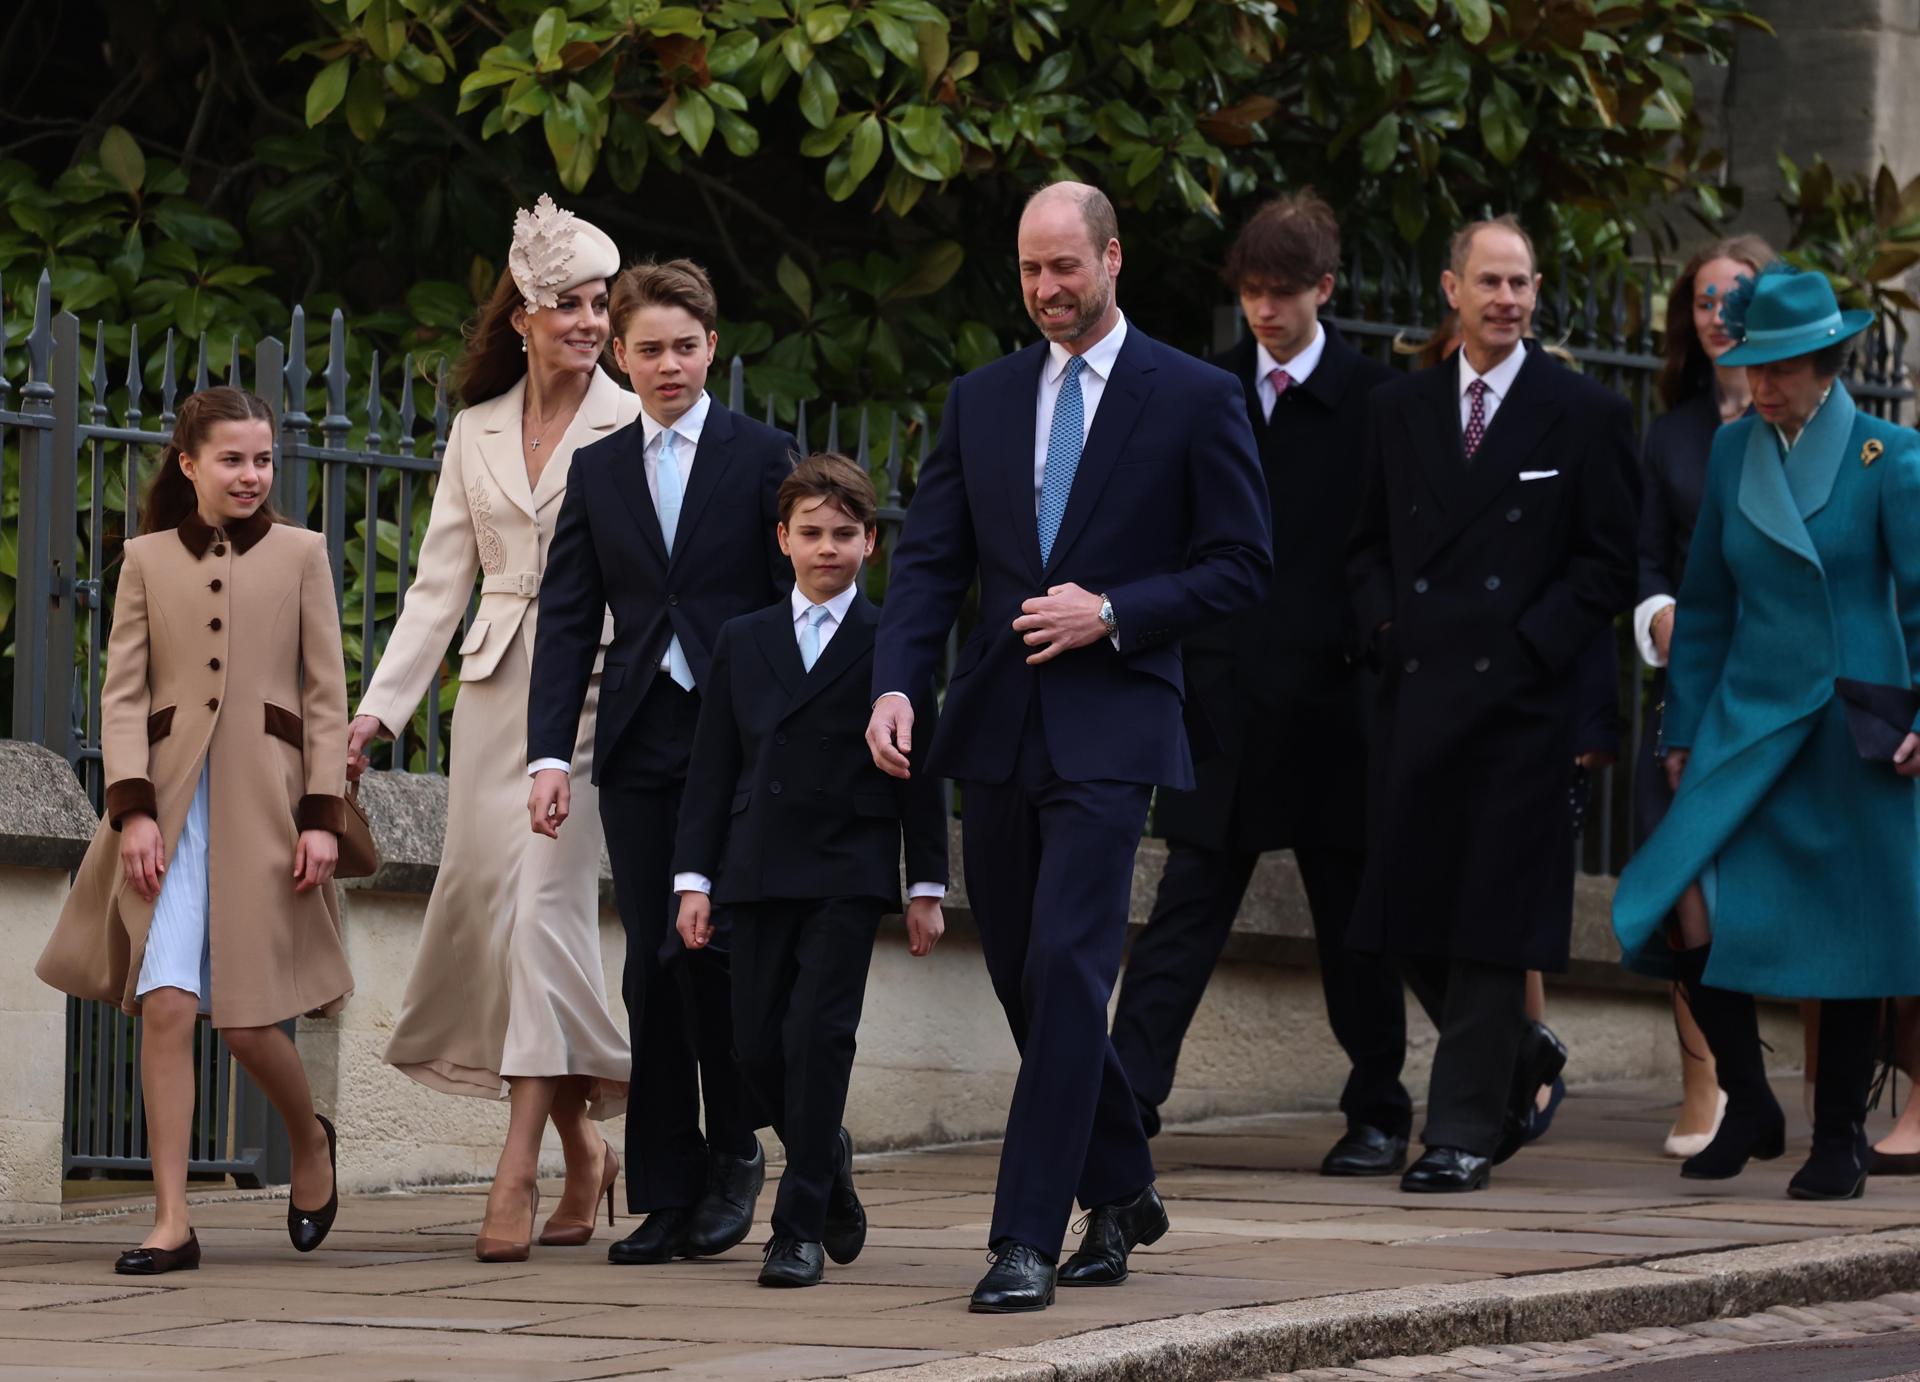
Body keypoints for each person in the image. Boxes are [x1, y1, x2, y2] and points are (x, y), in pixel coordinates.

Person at [867, 181, 1271, 1312]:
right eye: (1031, 270)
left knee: (1070, 968)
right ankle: (1128, 1185)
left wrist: (1116, 611)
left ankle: (1025, 1236)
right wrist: (899, 683)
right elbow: (934, 566)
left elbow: (1244, 563)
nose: (1046, 290)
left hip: (1116, 721)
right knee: (1018, 975)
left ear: (1112, 259)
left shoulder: (1193, 395)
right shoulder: (981, 399)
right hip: (995, 724)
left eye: (1066, 268)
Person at [348, 196, 636, 1262]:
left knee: (543, 914)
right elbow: (436, 589)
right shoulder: (473, 430)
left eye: (603, 302)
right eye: (570, 302)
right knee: (484, 907)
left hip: (598, 693)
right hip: (490, 692)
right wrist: (377, 713)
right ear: (522, 313)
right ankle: (583, 1142)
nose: (591, 321)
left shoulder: (632, 419)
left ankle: (514, 1168)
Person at [1107, 191, 1410, 1176]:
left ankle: (1377, 1106)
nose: (1265, 312)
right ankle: (1126, 1101)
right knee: (1184, 911)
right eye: (1250, 292)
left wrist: (1370, 647)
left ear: (1324, 287)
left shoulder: (1377, 401)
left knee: (1354, 918)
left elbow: (1389, 547)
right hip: (1224, 693)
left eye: (1282, 293)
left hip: (1333, 698)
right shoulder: (1210, 388)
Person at [1613, 263, 1920, 1201]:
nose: (1763, 380)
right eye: (1756, 362)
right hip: (1746, 721)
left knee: (1851, 931)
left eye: (1785, 364)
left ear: (1828, 362)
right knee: (1679, 891)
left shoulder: (1890, 458)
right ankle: (1749, 1102)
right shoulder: (1735, 452)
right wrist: (1685, 729)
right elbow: (1703, 607)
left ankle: (1838, 1139)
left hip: (1852, 726)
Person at [1347, 215, 1640, 1194]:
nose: (1507, 299)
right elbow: (1364, 548)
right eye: (1490, 282)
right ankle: (1517, 1051)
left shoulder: (1584, 412)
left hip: (1521, 709)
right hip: (1418, 697)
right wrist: (1385, 627)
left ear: (1537, 289)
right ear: (1451, 289)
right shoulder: (1400, 408)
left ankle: (1462, 1132)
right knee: (1399, 917)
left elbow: (1607, 561)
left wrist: (1529, 645)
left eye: (1521, 283)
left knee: (1484, 924)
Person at [38, 386, 352, 1273]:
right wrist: (131, 807)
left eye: (262, 459)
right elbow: (124, 693)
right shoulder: (143, 559)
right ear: (188, 464)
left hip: (266, 808)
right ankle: (171, 1219)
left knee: (250, 1024)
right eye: (232, 459)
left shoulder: (301, 554)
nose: (251, 475)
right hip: (170, 811)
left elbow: (327, 696)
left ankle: (308, 1140)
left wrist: (322, 816)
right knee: (167, 1004)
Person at [528, 258, 796, 1266]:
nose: (668, 364)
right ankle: (665, 1188)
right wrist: (549, 753)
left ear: (712, 347)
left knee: (714, 955)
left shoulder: (763, 453)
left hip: (736, 747)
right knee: (651, 967)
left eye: (685, 345)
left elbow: (791, 605)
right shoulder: (598, 469)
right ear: (624, 355)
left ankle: (738, 1153)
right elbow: (566, 620)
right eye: (649, 348)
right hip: (640, 743)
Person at [671, 454, 949, 1288]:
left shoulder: (891, 643)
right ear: (783, 540)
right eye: (811, 533)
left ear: (870, 542)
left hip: (847, 866)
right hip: (755, 867)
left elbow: (922, 766)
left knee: (817, 1040)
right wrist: (694, 878)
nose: (827, 548)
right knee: (755, 1045)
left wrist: (926, 885)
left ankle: (794, 1229)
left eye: (843, 534)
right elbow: (712, 769)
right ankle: (826, 1151)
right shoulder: (742, 639)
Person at [1632, 235, 1774, 1158]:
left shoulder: (1800, 422)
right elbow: (1642, 561)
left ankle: (1843, 1093)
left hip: (1781, 693)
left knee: (1787, 895)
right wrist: (1663, 616)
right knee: (1681, 883)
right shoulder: (1670, 432)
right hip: (1692, 691)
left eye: (1735, 299)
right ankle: (1711, 1084)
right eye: (1701, 301)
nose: (1716, 315)